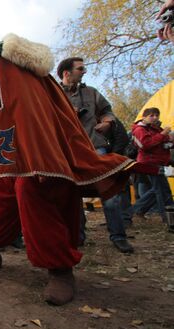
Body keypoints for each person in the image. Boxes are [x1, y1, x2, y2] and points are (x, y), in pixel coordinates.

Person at [0, 35, 132, 305]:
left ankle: (60, 270)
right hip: (3, 154)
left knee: (35, 192)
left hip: (35, 148)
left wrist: (35, 151)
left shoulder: (5, 61)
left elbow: (29, 106)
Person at [58, 57, 134, 254]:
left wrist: (107, 122)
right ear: (66, 73)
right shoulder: (53, 94)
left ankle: (118, 236)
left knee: (109, 192)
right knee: (71, 194)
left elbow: (108, 111)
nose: (84, 72)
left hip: (95, 149)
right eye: (80, 68)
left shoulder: (91, 93)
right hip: (66, 153)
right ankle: (77, 237)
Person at [131, 107, 174, 222]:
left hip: (158, 162)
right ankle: (169, 218)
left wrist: (170, 141)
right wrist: (163, 134)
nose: (155, 117)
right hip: (149, 163)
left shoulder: (155, 128)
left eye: (157, 115)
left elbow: (161, 143)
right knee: (163, 190)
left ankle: (137, 209)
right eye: (152, 115)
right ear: (144, 117)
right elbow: (145, 145)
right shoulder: (139, 130)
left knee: (156, 189)